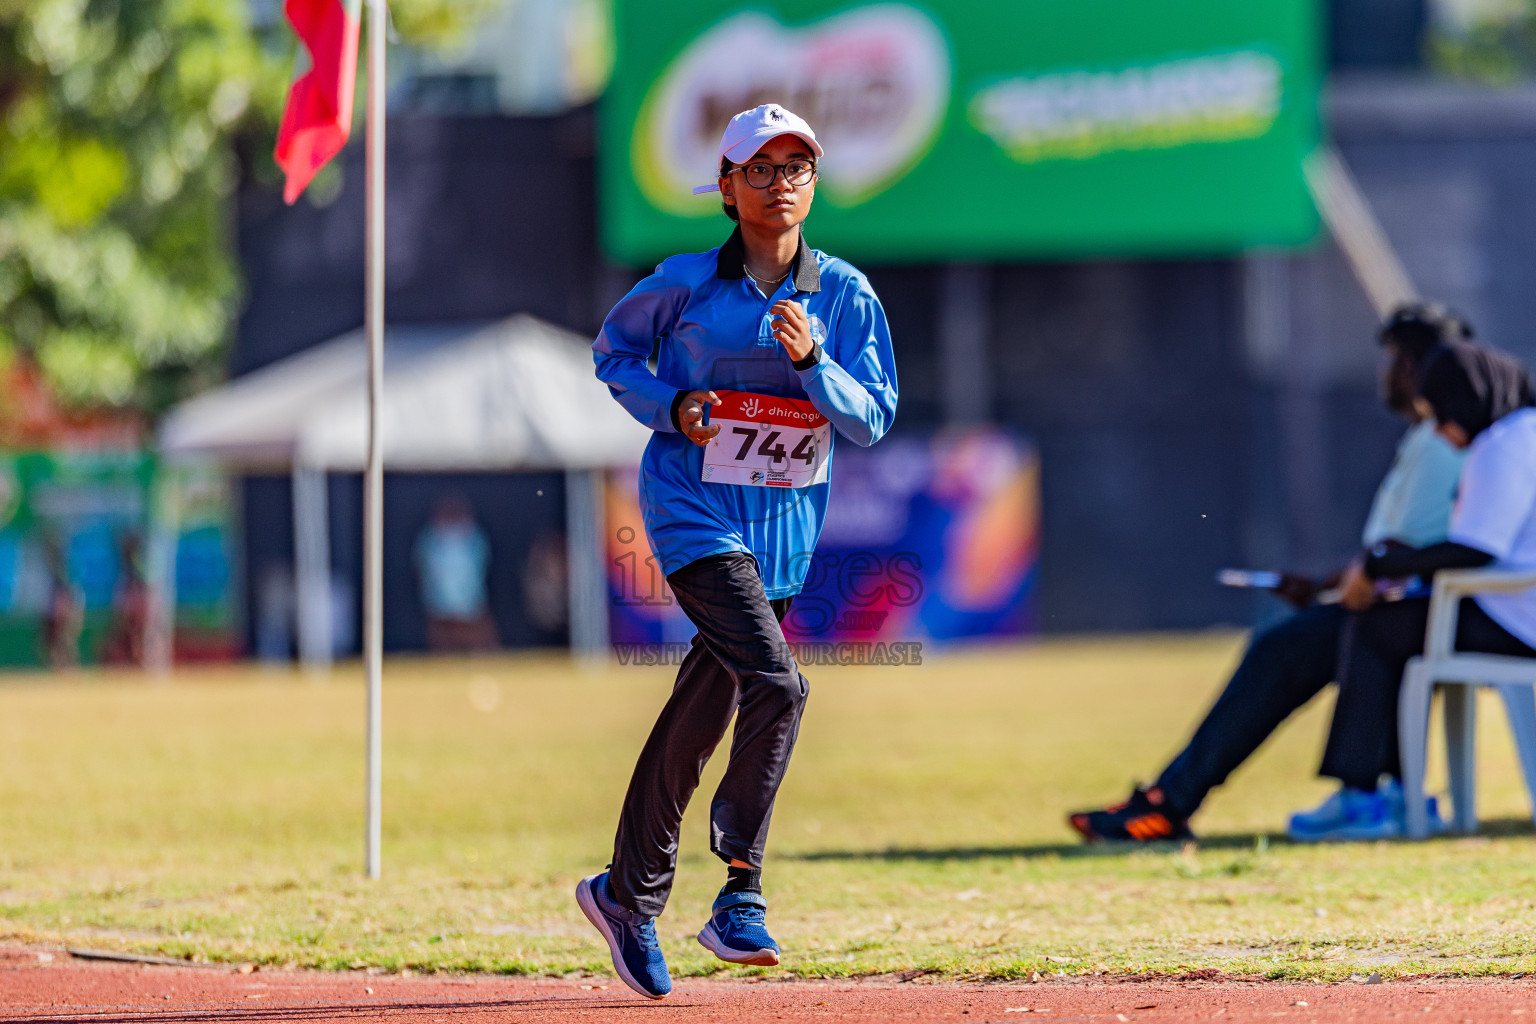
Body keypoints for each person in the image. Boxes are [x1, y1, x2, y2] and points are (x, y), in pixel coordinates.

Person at [579, 103, 897, 999]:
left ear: (815, 184)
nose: (780, 182)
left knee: (703, 705)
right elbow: (614, 353)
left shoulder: (845, 295)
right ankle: (740, 894)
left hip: (784, 534)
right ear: (726, 186)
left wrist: (815, 364)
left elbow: (871, 416)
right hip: (692, 512)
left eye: (797, 167)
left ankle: (624, 894)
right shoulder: (681, 284)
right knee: (780, 683)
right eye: (760, 168)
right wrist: (674, 406)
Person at [1068, 303, 1470, 844]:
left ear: (1420, 368)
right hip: (1400, 604)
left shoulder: (1440, 446)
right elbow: (1389, 553)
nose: (1386, 374)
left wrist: (1351, 583)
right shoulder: (1429, 439)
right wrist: (1321, 583)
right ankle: (1179, 798)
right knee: (1288, 647)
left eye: (1394, 360)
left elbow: (1405, 552)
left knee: (1282, 651)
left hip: (1416, 613)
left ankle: (1183, 801)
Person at [1284, 341, 1536, 836]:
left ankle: (1365, 795)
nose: (1441, 432)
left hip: (1517, 620)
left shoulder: (1501, 445)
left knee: (1376, 626)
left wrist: (1379, 567)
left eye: (1443, 415)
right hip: (1517, 609)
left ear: (1470, 400)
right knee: (1402, 627)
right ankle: (1396, 790)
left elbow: (1475, 549)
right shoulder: (1527, 431)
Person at [414, 495, 497, 651]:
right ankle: (441, 658)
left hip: (469, 593)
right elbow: (423, 564)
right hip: (439, 595)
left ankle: (485, 655)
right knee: (440, 630)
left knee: (475, 626)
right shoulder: (430, 538)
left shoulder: (473, 536)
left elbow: (482, 561)